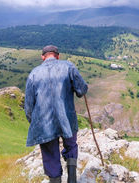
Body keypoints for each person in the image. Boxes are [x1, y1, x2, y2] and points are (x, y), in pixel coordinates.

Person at [25, 45, 88, 183]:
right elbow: (81, 90)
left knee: (50, 155)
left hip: (44, 123)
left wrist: (36, 123)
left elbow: (28, 107)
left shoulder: (33, 74)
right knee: (71, 146)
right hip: (67, 118)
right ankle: (72, 180)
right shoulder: (68, 67)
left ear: (43, 57)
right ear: (57, 56)